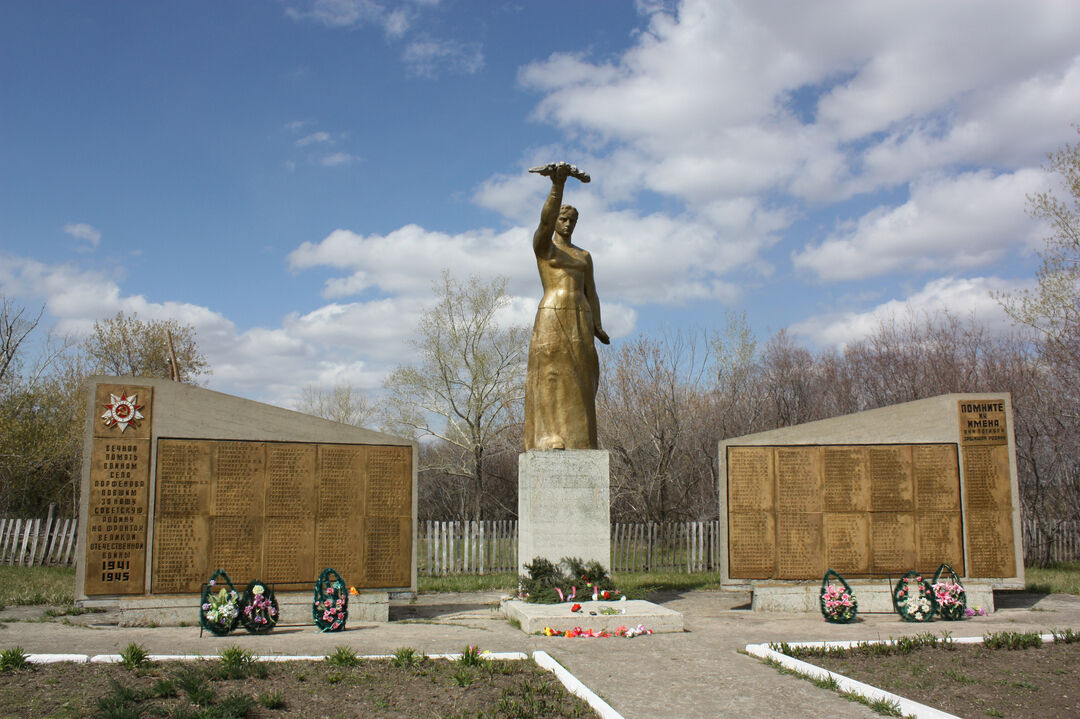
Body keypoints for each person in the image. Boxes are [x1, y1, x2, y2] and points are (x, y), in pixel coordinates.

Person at [524, 162, 610, 451]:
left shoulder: (584, 255)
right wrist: (557, 187)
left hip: (580, 316)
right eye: (563, 218)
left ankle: (580, 439)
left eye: (572, 220)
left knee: (582, 377)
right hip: (552, 313)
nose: (567, 224)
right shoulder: (545, 248)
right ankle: (548, 435)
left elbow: (592, 290)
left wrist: (597, 324)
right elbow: (544, 223)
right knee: (550, 374)